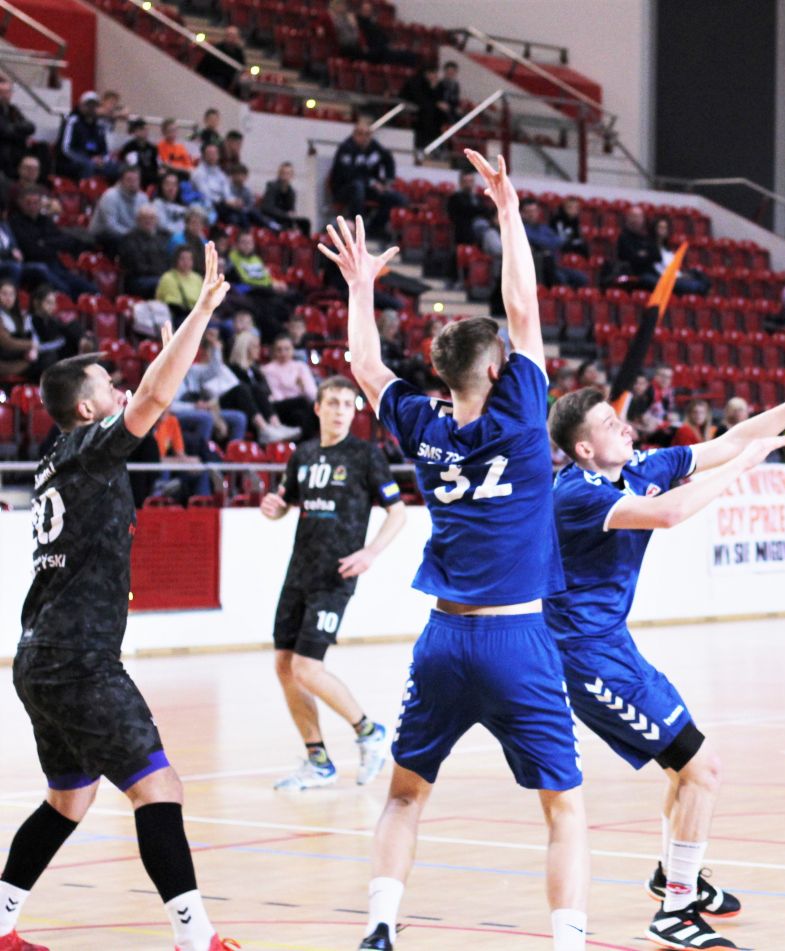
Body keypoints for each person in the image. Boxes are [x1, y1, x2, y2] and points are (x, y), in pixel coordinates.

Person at [320, 160, 588, 951]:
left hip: (442, 639)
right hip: (517, 638)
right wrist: (507, 211)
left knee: (405, 796)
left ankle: (379, 926)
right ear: (499, 370)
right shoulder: (521, 414)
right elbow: (523, 306)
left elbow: (365, 366)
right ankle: (568, 941)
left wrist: (360, 286)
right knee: (564, 808)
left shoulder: (424, 426)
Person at [545, 357, 785, 948]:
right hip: (586, 659)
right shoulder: (575, 495)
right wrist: (742, 468)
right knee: (702, 769)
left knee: (685, 770)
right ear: (584, 450)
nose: (625, 427)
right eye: (609, 424)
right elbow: (670, 512)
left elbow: (733, 439)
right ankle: (675, 912)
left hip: (615, 648)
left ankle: (673, 877)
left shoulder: (636, 467)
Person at [0, 244, 239, 951]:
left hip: (40, 657)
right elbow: (157, 399)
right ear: (86, 408)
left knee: (69, 798)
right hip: (78, 659)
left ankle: (1, 925)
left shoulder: (58, 459)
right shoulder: (86, 448)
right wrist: (200, 314)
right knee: (158, 788)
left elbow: (154, 399)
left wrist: (172, 355)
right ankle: (196, 938)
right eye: (110, 385)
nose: (121, 389)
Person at [260, 374, 406, 790]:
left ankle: (369, 732)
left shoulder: (366, 455)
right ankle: (318, 760)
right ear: (318, 408)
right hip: (298, 573)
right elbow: (285, 504)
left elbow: (398, 512)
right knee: (284, 666)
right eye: (334, 403)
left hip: (335, 575)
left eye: (347, 404)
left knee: (307, 667)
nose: (341, 411)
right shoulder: (303, 455)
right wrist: (273, 507)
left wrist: (370, 552)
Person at [9, 187, 96, 298]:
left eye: (36, 202)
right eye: (28, 203)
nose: (32, 206)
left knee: (90, 289)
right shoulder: (15, 222)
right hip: (34, 266)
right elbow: (31, 250)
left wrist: (44, 242)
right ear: (20, 203)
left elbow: (64, 241)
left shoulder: (45, 220)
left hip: (55, 264)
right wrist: (50, 244)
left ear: (40, 203)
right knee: (65, 290)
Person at [330, 119, 405, 239]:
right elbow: (348, 175)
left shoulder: (374, 147)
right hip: (344, 189)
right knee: (357, 187)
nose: (364, 137)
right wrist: (372, 182)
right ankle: (357, 228)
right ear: (354, 134)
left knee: (396, 198)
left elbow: (388, 159)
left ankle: (374, 228)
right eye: (360, 134)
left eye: (368, 134)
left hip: (367, 188)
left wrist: (387, 182)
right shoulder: (346, 148)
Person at [260, 332, 319, 437]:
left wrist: (303, 387)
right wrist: (297, 392)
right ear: (273, 351)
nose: (283, 353)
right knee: (302, 403)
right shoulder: (268, 370)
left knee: (304, 413)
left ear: (292, 350)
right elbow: (276, 396)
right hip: (280, 407)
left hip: (302, 406)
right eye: (279, 350)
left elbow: (312, 395)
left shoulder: (301, 366)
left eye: (287, 349)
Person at [521, 197, 587, 288]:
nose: (532, 214)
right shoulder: (522, 229)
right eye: (529, 211)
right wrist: (547, 242)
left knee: (581, 278)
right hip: (538, 267)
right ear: (522, 213)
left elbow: (559, 241)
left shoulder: (544, 228)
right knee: (561, 279)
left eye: (535, 211)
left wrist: (545, 243)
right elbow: (541, 241)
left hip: (555, 265)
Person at [88, 166, 149, 255]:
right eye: (129, 180)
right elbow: (111, 226)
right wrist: (132, 235)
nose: (133, 184)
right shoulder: (110, 196)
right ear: (121, 181)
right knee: (127, 243)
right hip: (104, 235)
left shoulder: (143, 197)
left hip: (130, 234)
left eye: (136, 180)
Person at [57, 91, 115, 180]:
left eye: (94, 105)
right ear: (81, 105)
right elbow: (66, 149)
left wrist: (102, 159)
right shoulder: (73, 121)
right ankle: (86, 188)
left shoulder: (99, 126)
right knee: (88, 166)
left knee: (115, 167)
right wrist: (88, 159)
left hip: (92, 161)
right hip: (70, 161)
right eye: (88, 105)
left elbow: (104, 150)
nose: (91, 108)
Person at [117, 205, 171, 297]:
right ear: (138, 220)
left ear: (157, 220)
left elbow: (169, 260)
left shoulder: (164, 237)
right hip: (138, 279)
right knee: (165, 283)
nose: (148, 221)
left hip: (160, 276)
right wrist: (163, 275)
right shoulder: (129, 239)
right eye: (144, 218)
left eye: (152, 218)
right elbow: (138, 267)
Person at [191, 143, 240, 226]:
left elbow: (227, 192)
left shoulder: (220, 173)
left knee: (245, 212)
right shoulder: (198, 173)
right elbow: (205, 195)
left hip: (222, 205)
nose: (212, 156)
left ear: (218, 156)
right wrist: (225, 202)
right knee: (234, 218)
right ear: (203, 156)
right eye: (209, 153)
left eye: (214, 153)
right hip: (206, 205)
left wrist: (233, 200)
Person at [156, 245, 204, 323]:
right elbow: (172, 305)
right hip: (177, 317)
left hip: (198, 314)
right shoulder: (168, 277)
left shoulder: (197, 278)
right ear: (176, 260)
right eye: (182, 258)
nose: (186, 262)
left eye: (189, 259)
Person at [259, 162, 310, 234]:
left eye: (288, 173)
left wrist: (292, 215)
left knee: (305, 222)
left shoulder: (291, 192)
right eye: (283, 173)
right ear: (279, 174)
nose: (285, 176)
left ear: (292, 175)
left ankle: (305, 240)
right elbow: (267, 208)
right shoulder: (272, 187)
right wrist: (285, 214)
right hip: (271, 218)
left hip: (285, 218)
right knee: (280, 227)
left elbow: (291, 209)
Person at [0, 77, 35, 179]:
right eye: (1, 92)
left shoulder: (13, 110)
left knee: (42, 150)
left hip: (15, 152)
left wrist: (14, 128)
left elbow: (31, 127)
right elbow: (5, 131)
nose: (4, 96)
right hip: (4, 152)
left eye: (7, 92)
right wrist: (22, 134)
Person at [196, 25, 245, 93]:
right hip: (215, 76)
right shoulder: (218, 48)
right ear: (226, 36)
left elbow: (242, 66)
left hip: (230, 79)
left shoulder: (239, 52)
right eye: (230, 36)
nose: (232, 38)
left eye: (234, 36)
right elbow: (205, 64)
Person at [119, 118, 160, 188]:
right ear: (136, 131)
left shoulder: (153, 148)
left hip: (151, 175)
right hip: (137, 175)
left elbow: (156, 164)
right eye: (142, 129)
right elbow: (129, 165)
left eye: (146, 129)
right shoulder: (129, 147)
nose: (146, 132)